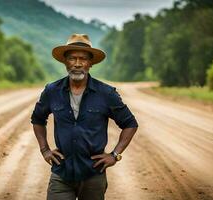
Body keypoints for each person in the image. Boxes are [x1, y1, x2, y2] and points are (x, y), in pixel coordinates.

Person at [31, 33, 138, 200]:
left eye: (83, 59)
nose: (77, 64)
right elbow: (37, 119)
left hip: (93, 174)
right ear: (65, 62)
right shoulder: (52, 91)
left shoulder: (106, 93)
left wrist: (115, 155)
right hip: (61, 173)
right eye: (72, 58)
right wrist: (45, 149)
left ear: (90, 63)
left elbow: (130, 124)